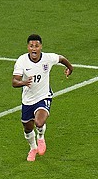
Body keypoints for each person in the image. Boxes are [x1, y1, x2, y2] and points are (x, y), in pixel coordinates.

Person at [12, 34, 73, 162]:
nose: (34, 48)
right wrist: (24, 83)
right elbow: (14, 82)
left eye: (37, 46)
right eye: (31, 46)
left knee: (39, 122)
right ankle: (33, 148)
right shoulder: (22, 61)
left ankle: (41, 136)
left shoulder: (47, 58)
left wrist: (70, 68)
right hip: (28, 100)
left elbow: (61, 58)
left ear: (41, 47)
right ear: (28, 47)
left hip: (44, 96)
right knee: (27, 127)